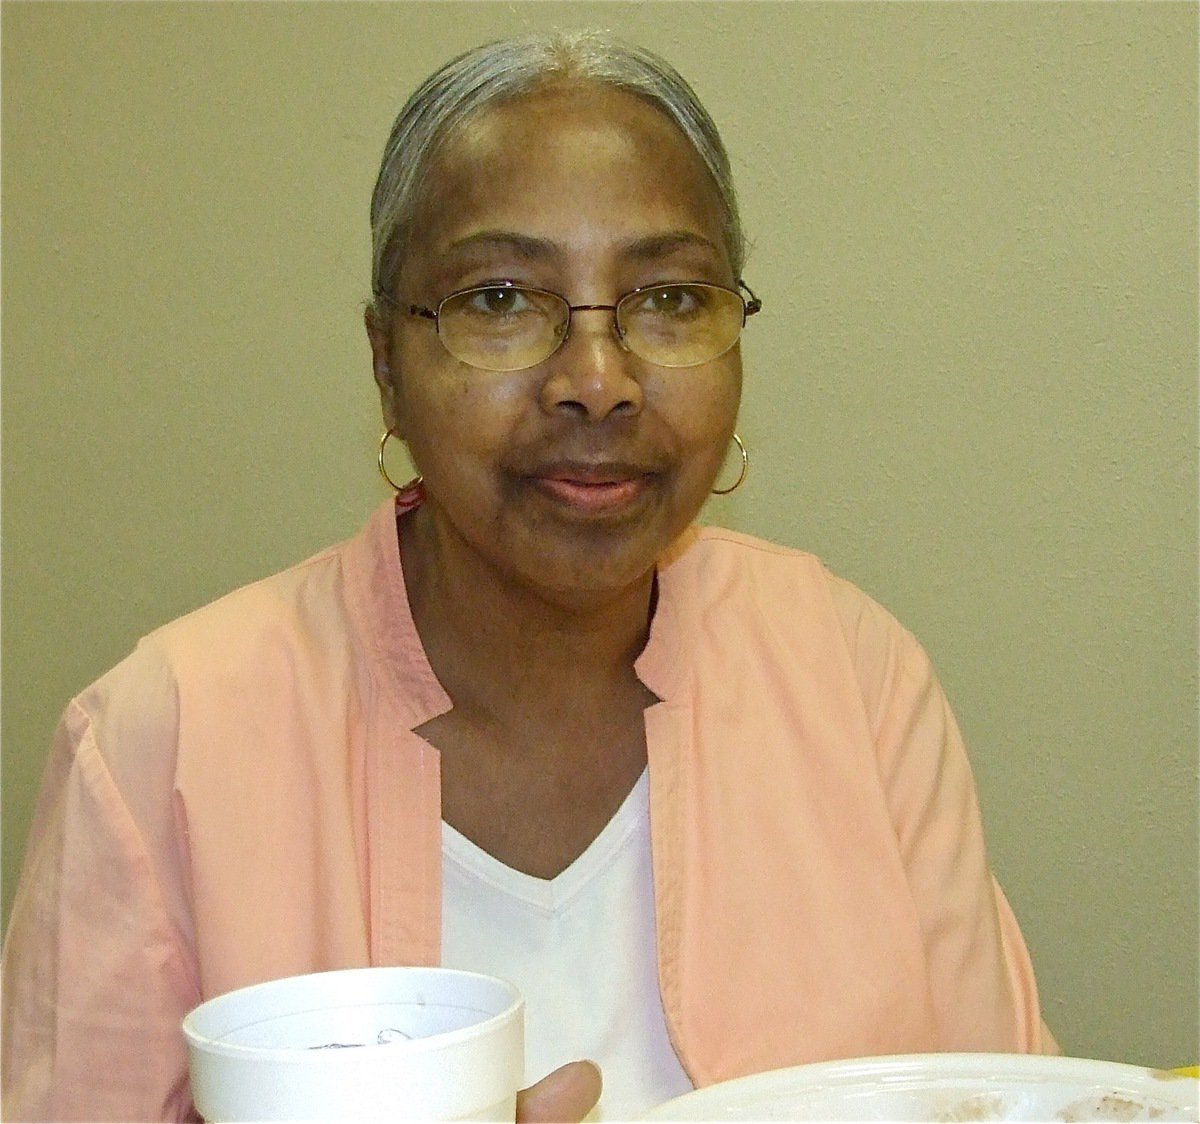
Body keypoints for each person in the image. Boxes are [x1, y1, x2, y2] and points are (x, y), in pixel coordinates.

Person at [1, 30, 1057, 1123]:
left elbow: (1015, 1100)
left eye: (669, 297)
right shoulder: (162, 738)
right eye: (501, 299)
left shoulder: (856, 675)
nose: (598, 381)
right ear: (385, 365)